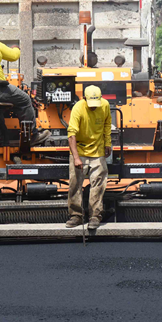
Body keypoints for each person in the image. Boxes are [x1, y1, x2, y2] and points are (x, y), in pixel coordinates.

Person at [65, 85, 111, 230]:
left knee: (98, 183)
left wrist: (108, 143)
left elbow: (107, 124)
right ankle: (76, 215)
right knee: (75, 183)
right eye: (90, 105)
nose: (93, 108)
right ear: (84, 99)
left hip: (97, 150)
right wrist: (76, 158)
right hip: (79, 149)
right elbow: (71, 134)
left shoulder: (104, 105)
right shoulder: (78, 108)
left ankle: (95, 216)